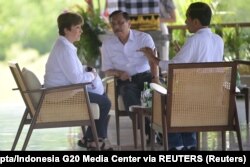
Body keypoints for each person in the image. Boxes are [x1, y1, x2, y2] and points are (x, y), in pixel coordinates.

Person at [139, 2, 224, 151]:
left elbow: (173, 67)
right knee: (180, 101)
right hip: (213, 98)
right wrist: (181, 52)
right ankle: (190, 144)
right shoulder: (218, 40)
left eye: (187, 19)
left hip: (193, 97)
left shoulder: (194, 40)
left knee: (164, 102)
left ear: (196, 22)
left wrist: (153, 58)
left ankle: (176, 145)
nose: (185, 22)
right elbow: (204, 62)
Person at [44, 12, 112, 150]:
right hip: (61, 93)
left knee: (102, 98)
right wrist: (92, 75)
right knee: (105, 102)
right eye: (77, 27)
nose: (81, 30)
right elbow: (76, 79)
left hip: (64, 90)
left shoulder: (64, 45)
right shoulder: (64, 49)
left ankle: (90, 139)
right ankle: (95, 140)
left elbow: (73, 71)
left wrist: (85, 69)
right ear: (66, 30)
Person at [101, 10, 159, 141]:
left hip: (145, 76)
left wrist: (155, 79)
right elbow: (107, 70)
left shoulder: (143, 38)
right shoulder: (107, 44)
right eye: (113, 24)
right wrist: (118, 73)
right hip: (125, 80)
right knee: (127, 91)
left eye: (121, 23)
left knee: (155, 90)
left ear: (129, 24)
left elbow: (153, 61)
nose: (117, 27)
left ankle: (159, 129)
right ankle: (149, 129)